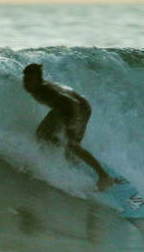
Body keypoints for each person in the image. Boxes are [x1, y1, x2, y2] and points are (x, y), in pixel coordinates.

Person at [22, 63, 114, 191]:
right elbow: (62, 103)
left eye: (29, 80)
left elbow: (72, 102)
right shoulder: (37, 88)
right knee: (42, 134)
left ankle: (104, 177)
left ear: (38, 79)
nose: (26, 83)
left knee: (73, 145)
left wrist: (72, 125)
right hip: (62, 110)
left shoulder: (44, 90)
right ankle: (72, 157)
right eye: (25, 79)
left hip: (79, 109)